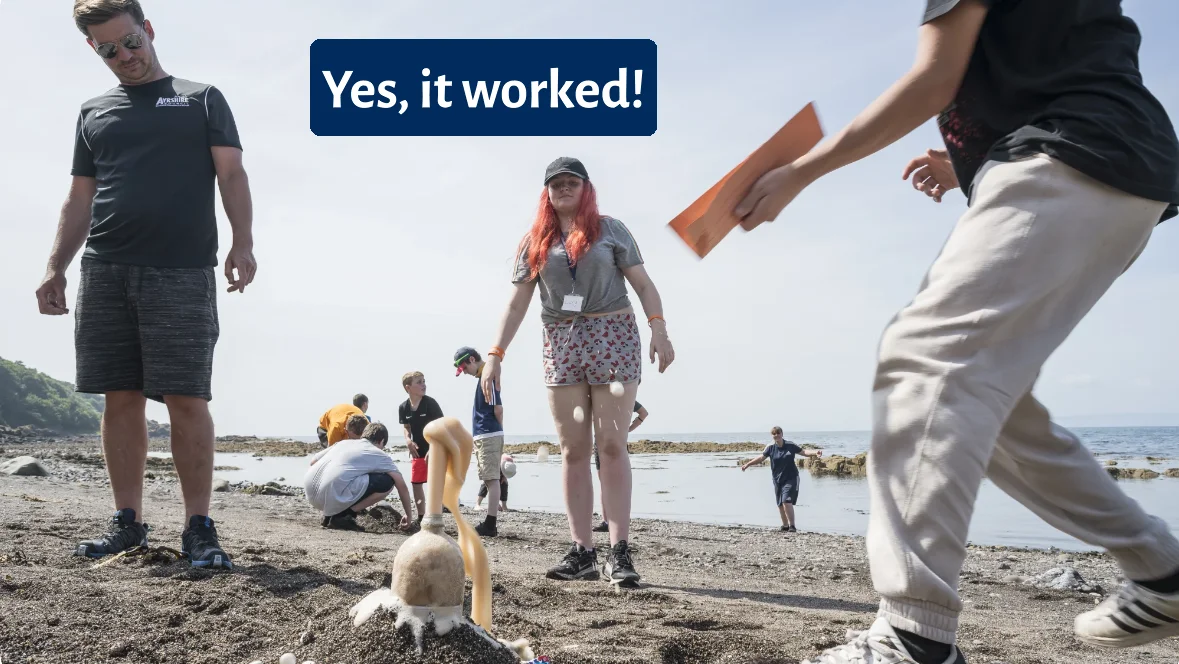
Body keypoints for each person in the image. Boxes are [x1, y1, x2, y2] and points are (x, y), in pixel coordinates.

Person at [731, 1, 1179, 661]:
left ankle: (914, 634)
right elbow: (1057, 53)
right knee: (989, 408)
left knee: (922, 360)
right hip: (1125, 170)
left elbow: (934, 78)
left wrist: (801, 170)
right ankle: (1162, 571)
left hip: (1071, 152)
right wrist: (966, 160)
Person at [40, 0, 256, 570]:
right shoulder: (93, 112)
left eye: (131, 41)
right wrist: (55, 265)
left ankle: (199, 527)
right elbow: (79, 197)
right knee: (120, 396)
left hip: (182, 269)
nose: (125, 56)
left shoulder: (200, 98)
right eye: (109, 49)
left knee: (187, 398)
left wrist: (242, 242)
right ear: (95, 50)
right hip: (106, 267)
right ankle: (127, 522)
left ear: (149, 30)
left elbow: (231, 172)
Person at [480, 157, 676, 588]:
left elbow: (643, 283)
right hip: (561, 340)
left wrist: (658, 327)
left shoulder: (611, 229)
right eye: (556, 184)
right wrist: (495, 352)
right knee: (572, 450)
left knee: (610, 444)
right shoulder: (534, 240)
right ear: (546, 193)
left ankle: (619, 550)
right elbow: (517, 303)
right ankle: (583, 551)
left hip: (613, 334)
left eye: (572, 182)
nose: (564, 188)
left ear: (586, 188)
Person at [303, 421, 412, 532]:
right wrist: (409, 515)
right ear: (381, 441)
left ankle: (329, 516)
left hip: (311, 493)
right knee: (388, 482)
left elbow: (313, 462)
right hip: (328, 495)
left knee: (347, 475)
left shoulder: (343, 443)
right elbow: (401, 485)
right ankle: (345, 516)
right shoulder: (379, 454)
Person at [455, 347, 505, 537]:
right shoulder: (484, 376)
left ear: (472, 360)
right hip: (488, 433)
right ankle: (490, 522)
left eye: (465, 368)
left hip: (488, 433)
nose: (466, 373)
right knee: (490, 478)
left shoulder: (487, 376)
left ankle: (490, 524)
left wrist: (497, 430)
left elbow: (497, 408)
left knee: (491, 480)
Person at [740, 427, 822, 532]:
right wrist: (748, 464)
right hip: (777, 479)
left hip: (792, 477)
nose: (776, 435)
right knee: (780, 504)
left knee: (786, 501)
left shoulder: (790, 445)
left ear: (782, 434)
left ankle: (792, 526)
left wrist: (815, 453)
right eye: (774, 434)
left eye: (778, 433)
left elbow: (803, 452)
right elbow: (761, 458)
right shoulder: (770, 447)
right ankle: (785, 525)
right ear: (772, 436)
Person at [592, 396, 648, 533]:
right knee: (615, 484)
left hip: (605, 442)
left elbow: (644, 413)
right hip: (614, 442)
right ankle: (613, 521)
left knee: (606, 484)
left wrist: (627, 430)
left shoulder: (599, 397)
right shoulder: (625, 398)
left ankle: (609, 521)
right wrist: (627, 429)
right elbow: (643, 413)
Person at [398, 371, 443, 526]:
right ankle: (421, 516)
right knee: (416, 484)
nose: (423, 384)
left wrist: (433, 448)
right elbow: (406, 427)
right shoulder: (403, 407)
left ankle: (436, 516)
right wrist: (408, 441)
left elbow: (441, 427)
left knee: (435, 483)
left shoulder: (430, 403)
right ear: (408, 387)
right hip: (417, 452)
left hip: (435, 449)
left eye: (424, 381)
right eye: (419, 382)